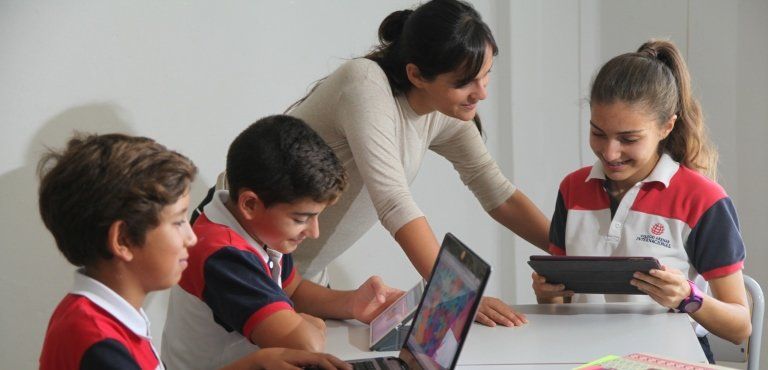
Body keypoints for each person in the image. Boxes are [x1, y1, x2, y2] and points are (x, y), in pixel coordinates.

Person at [260, 0, 550, 327]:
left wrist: (571, 256)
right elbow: (395, 203)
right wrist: (459, 296)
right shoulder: (365, 85)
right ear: (416, 74)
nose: (480, 94)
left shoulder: (445, 111)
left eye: (485, 76)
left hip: (297, 277)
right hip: (243, 252)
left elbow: (498, 192)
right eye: (464, 82)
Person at [37, 133, 350, 370]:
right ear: (123, 240)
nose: (191, 237)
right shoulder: (98, 344)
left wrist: (257, 362)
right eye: (177, 223)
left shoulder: (100, 315)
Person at [532, 40, 751, 363]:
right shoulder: (572, 189)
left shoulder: (703, 200)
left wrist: (687, 297)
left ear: (667, 126)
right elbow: (558, 306)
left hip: (666, 358)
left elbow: (740, 327)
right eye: (598, 132)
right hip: (581, 355)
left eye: (628, 139)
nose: (609, 152)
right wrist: (546, 296)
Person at [162, 115, 402, 370]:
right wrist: (311, 325)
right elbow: (304, 346)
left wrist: (352, 303)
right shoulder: (223, 254)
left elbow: (294, 290)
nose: (314, 231)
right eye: (301, 219)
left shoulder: (255, 227)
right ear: (250, 204)